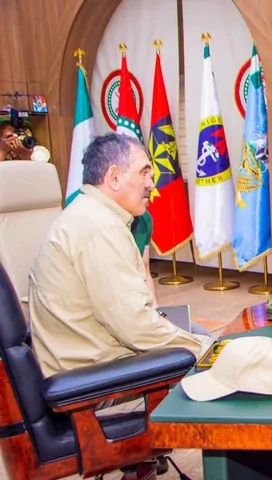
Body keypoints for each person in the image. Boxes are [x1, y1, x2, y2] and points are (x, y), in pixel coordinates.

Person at [29, 132, 214, 378]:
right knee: (211, 356)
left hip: (93, 357)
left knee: (196, 333)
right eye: (144, 173)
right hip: (97, 377)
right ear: (114, 177)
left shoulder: (92, 214)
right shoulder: (99, 227)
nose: (151, 184)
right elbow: (136, 328)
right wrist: (208, 351)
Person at [65, 190, 158, 307]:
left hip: (125, 300)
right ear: (114, 180)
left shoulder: (143, 218)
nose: (151, 186)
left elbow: (145, 271)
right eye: (143, 178)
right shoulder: (79, 209)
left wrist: (156, 310)